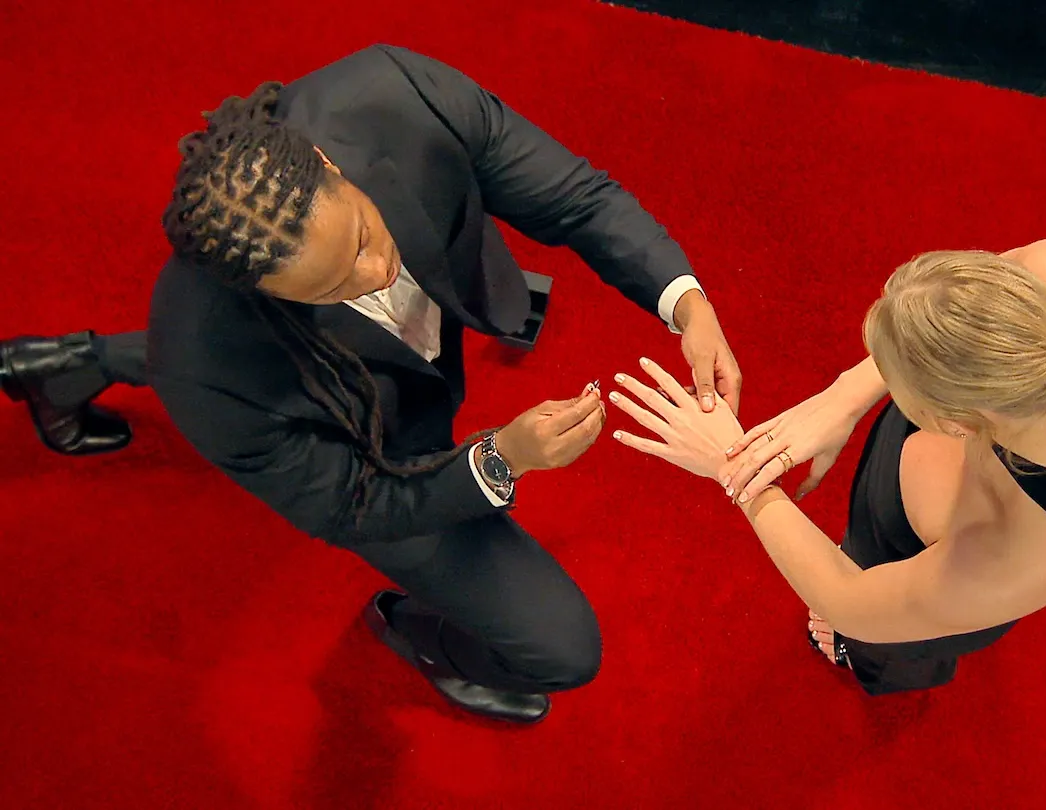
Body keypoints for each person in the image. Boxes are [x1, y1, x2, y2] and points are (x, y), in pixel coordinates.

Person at [0, 44, 742, 723]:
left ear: (327, 162)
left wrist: (687, 305)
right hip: (382, 447)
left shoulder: (399, 93)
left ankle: (62, 366)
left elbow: (576, 198)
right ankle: (415, 631)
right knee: (564, 651)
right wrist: (499, 459)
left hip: (270, 373)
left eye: (359, 240)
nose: (376, 276)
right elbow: (351, 504)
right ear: (257, 290)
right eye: (329, 289)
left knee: (244, 378)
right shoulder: (208, 361)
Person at [606, 239, 1046, 695]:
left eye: (893, 379)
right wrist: (842, 399)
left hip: (940, 580)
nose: (877, 374)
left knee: (887, 643)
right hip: (945, 465)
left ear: (953, 422)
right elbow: (953, 325)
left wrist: (731, 467)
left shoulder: (1021, 549)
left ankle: (873, 665)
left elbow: (843, 600)